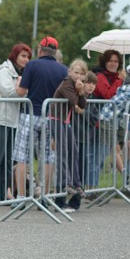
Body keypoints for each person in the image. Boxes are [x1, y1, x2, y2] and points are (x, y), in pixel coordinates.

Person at [12, 36, 67, 200]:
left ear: (40, 49)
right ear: (55, 51)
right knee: (49, 157)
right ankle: (45, 194)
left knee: (22, 157)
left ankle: (21, 197)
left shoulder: (32, 65)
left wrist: (18, 84)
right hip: (51, 117)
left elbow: (21, 92)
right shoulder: (63, 70)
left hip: (30, 114)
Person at [0, 43, 31, 202]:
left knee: (7, 163)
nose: (26, 59)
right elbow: (9, 92)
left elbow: (20, 93)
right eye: (23, 56)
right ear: (15, 55)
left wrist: (22, 91)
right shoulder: (4, 70)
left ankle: (1, 195)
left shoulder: (23, 74)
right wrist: (24, 92)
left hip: (13, 122)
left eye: (28, 57)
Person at [51, 59, 90, 210]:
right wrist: (80, 92)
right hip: (57, 119)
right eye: (75, 72)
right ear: (70, 72)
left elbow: (82, 105)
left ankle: (76, 183)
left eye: (81, 73)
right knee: (63, 152)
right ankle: (64, 183)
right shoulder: (67, 83)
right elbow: (73, 101)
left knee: (73, 150)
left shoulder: (75, 85)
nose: (78, 76)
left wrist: (81, 93)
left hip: (66, 121)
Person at [86, 49, 125, 185]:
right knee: (96, 157)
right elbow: (108, 95)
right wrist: (119, 80)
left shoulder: (117, 78)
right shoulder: (100, 76)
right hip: (98, 122)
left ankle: (93, 187)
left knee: (100, 158)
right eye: (110, 61)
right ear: (104, 62)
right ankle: (91, 188)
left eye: (116, 61)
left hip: (109, 121)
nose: (113, 64)